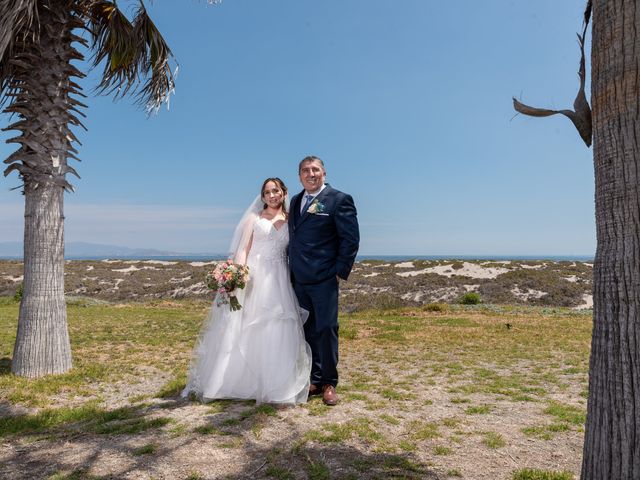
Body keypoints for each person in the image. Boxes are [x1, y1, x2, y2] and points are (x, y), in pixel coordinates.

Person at [182, 178, 312, 405]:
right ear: (262, 197)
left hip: (279, 276)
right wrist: (236, 276)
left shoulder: (292, 220)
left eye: (276, 191)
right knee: (247, 325)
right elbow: (243, 250)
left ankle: (276, 383)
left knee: (278, 324)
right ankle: (238, 382)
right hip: (255, 277)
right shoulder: (254, 219)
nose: (272, 195)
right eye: (267, 192)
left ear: (283, 193)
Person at [288, 156, 360, 406]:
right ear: (299, 176)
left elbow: (350, 239)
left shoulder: (339, 200)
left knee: (327, 329)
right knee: (307, 331)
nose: (311, 174)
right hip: (298, 280)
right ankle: (314, 379)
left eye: (315, 170)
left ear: (324, 173)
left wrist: (340, 272)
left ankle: (330, 382)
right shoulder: (295, 201)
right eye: (305, 171)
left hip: (324, 278)